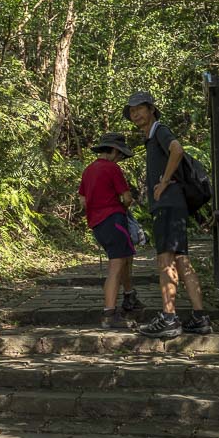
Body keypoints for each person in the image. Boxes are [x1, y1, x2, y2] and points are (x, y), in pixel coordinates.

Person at [123, 91, 211, 338]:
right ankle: (200, 317)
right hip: (176, 206)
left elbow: (177, 149)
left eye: (139, 108)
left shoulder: (159, 130)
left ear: (151, 109)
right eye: (131, 111)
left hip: (168, 205)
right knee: (182, 260)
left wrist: (164, 182)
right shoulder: (151, 137)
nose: (135, 114)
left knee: (165, 259)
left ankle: (169, 318)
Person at [78, 132, 145, 329]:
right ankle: (109, 313)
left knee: (124, 258)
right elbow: (127, 198)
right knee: (116, 267)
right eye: (120, 155)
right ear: (114, 150)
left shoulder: (88, 170)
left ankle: (129, 297)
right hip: (114, 220)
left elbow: (82, 200)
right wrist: (118, 205)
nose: (120, 159)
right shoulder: (112, 168)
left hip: (98, 224)